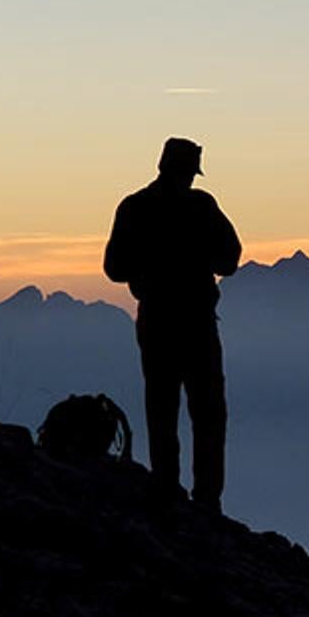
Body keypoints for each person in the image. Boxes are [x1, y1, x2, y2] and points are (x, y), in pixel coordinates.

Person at [104, 137, 241, 512]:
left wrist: (149, 265)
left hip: (157, 322)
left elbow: (114, 268)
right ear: (187, 171)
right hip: (196, 323)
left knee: (162, 408)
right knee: (209, 412)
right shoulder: (202, 207)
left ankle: (166, 490)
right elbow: (230, 259)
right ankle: (207, 502)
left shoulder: (134, 208)